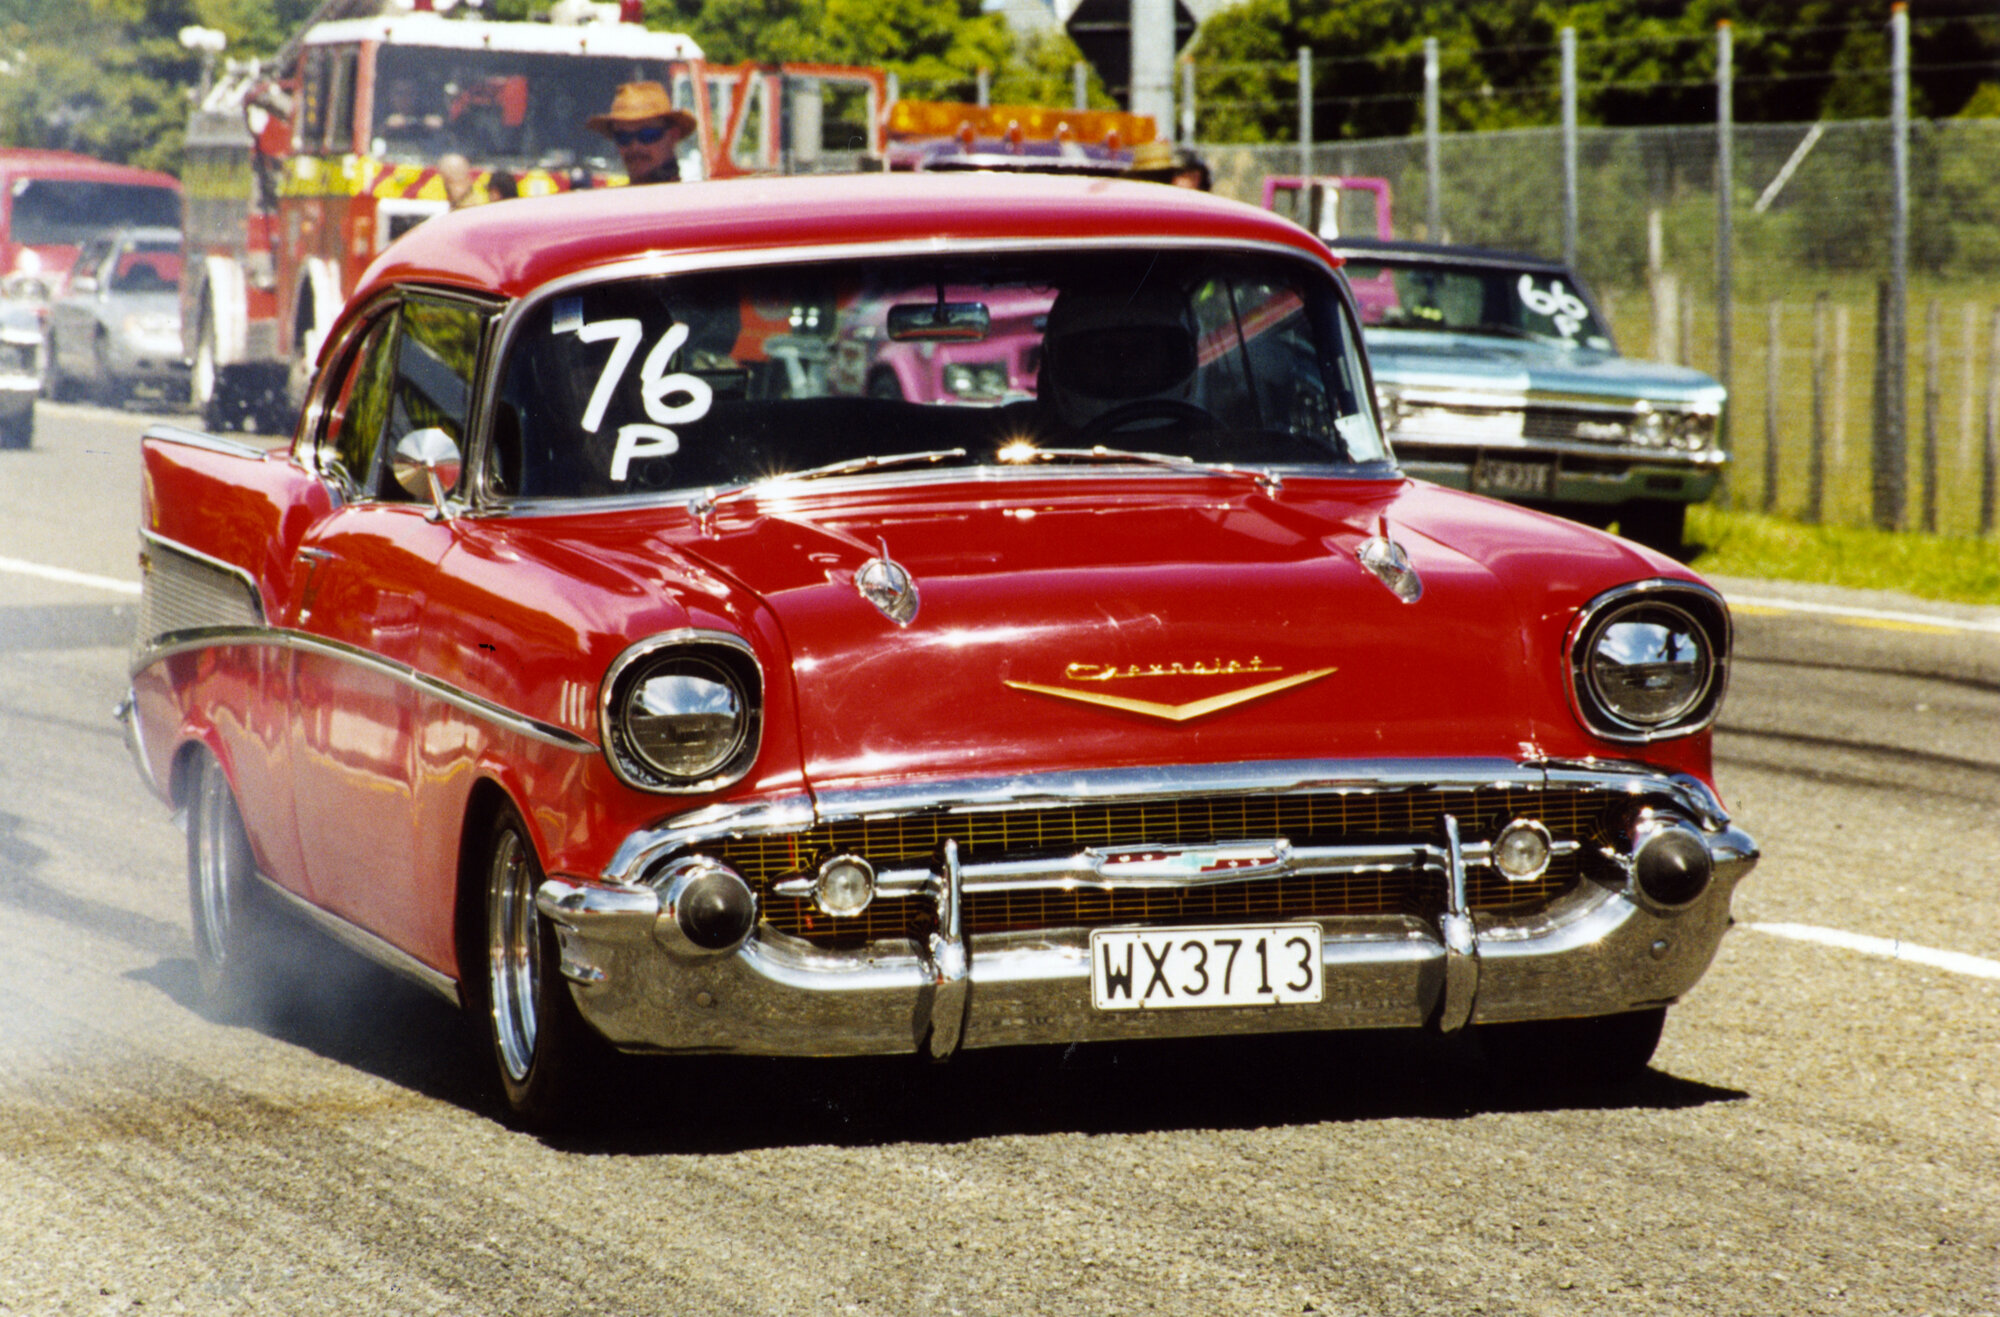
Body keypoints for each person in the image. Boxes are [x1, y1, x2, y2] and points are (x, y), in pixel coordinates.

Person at [587, 81, 697, 184]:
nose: (635, 146)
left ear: (673, 136)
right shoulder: (610, 202)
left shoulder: (695, 202)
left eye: (648, 135)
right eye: (623, 137)